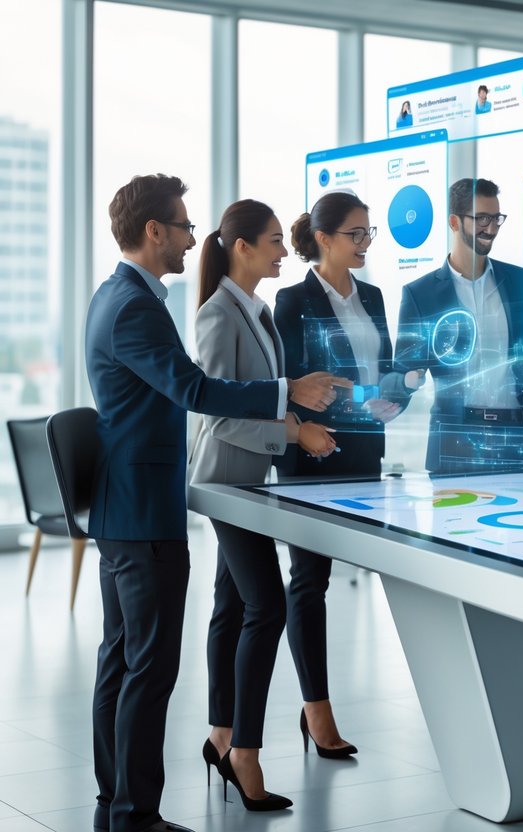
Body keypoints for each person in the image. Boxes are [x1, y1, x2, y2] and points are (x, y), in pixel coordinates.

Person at [85, 174, 343, 832]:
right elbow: (194, 389)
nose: (190, 238)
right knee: (147, 668)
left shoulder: (115, 296)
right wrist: (286, 397)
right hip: (142, 513)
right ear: (153, 232)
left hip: (126, 510)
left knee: (121, 660)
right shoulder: (135, 307)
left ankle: (115, 801)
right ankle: (136, 815)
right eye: (182, 225)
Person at [190, 199, 340, 813]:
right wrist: (291, 432)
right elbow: (221, 412)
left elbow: (263, 398)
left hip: (252, 481)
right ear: (242, 246)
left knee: (231, 606)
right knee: (267, 605)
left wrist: (301, 418)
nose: (285, 250)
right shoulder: (217, 315)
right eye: (276, 240)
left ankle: (220, 734)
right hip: (227, 481)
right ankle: (243, 752)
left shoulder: (258, 311)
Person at [274, 191, 416, 758]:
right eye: (355, 234)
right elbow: (288, 386)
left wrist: (398, 395)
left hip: (365, 453)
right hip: (314, 454)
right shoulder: (291, 300)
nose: (364, 245)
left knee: (385, 566)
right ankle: (317, 710)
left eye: (368, 234)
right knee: (310, 579)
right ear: (325, 239)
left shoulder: (375, 297)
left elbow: (381, 374)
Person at [395, 177, 523, 475]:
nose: (491, 228)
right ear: (454, 222)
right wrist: (401, 385)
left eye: (496, 218)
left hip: (519, 439)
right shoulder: (420, 294)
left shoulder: (516, 280)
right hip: (457, 443)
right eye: (481, 218)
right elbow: (403, 369)